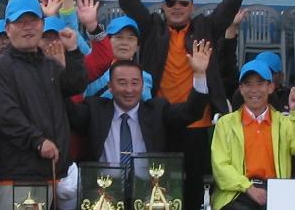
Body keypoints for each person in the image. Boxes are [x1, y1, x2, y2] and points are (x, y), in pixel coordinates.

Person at [106, 0, 256, 210]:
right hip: (160, 119)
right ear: (163, 7)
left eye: (183, 2)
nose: (176, 6)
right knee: (158, 183)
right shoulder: (151, 29)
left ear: (192, 6)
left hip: (198, 122)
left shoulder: (206, 27)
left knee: (192, 187)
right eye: (171, 2)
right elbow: (130, 2)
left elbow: (228, 7)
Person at [209, 60, 295, 210]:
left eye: (260, 84)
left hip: (275, 192)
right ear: (241, 89)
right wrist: (248, 188)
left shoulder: (283, 122)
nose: (254, 90)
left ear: (270, 87)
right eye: (248, 84)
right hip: (237, 193)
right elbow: (220, 166)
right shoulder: (225, 124)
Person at [68, 44, 213, 178]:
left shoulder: (157, 111)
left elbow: (191, 112)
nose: (129, 90)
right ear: (110, 86)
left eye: (135, 83)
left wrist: (199, 74)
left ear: (143, 86)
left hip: (148, 193)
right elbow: (68, 110)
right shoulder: (95, 110)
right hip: (104, 193)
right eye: (122, 83)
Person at [0, 0, 86, 182]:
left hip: (54, 170)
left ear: (42, 24)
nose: (28, 27)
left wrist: (72, 52)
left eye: (33, 20)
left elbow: (76, 85)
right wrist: (37, 141)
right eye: (20, 22)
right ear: (7, 28)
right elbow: (6, 115)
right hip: (17, 174)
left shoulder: (49, 63)